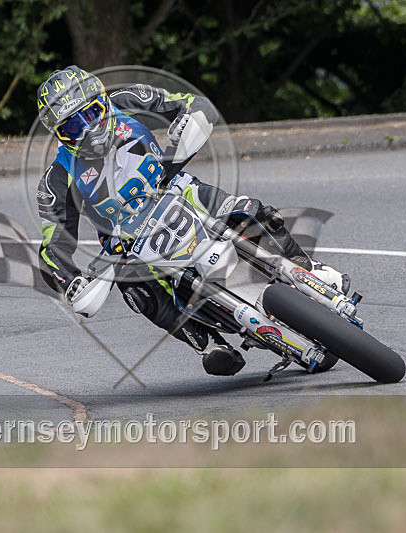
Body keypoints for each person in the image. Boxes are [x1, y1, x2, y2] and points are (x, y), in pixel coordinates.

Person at [35, 65, 348, 377]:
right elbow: (53, 247)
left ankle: (306, 267)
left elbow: (192, 102)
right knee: (136, 292)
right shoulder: (57, 178)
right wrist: (72, 282)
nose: (88, 129)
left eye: (90, 114)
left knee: (248, 209)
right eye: (73, 127)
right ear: (59, 134)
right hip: (130, 244)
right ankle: (208, 344)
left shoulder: (130, 100)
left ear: (103, 100)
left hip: (179, 191)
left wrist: (188, 120)